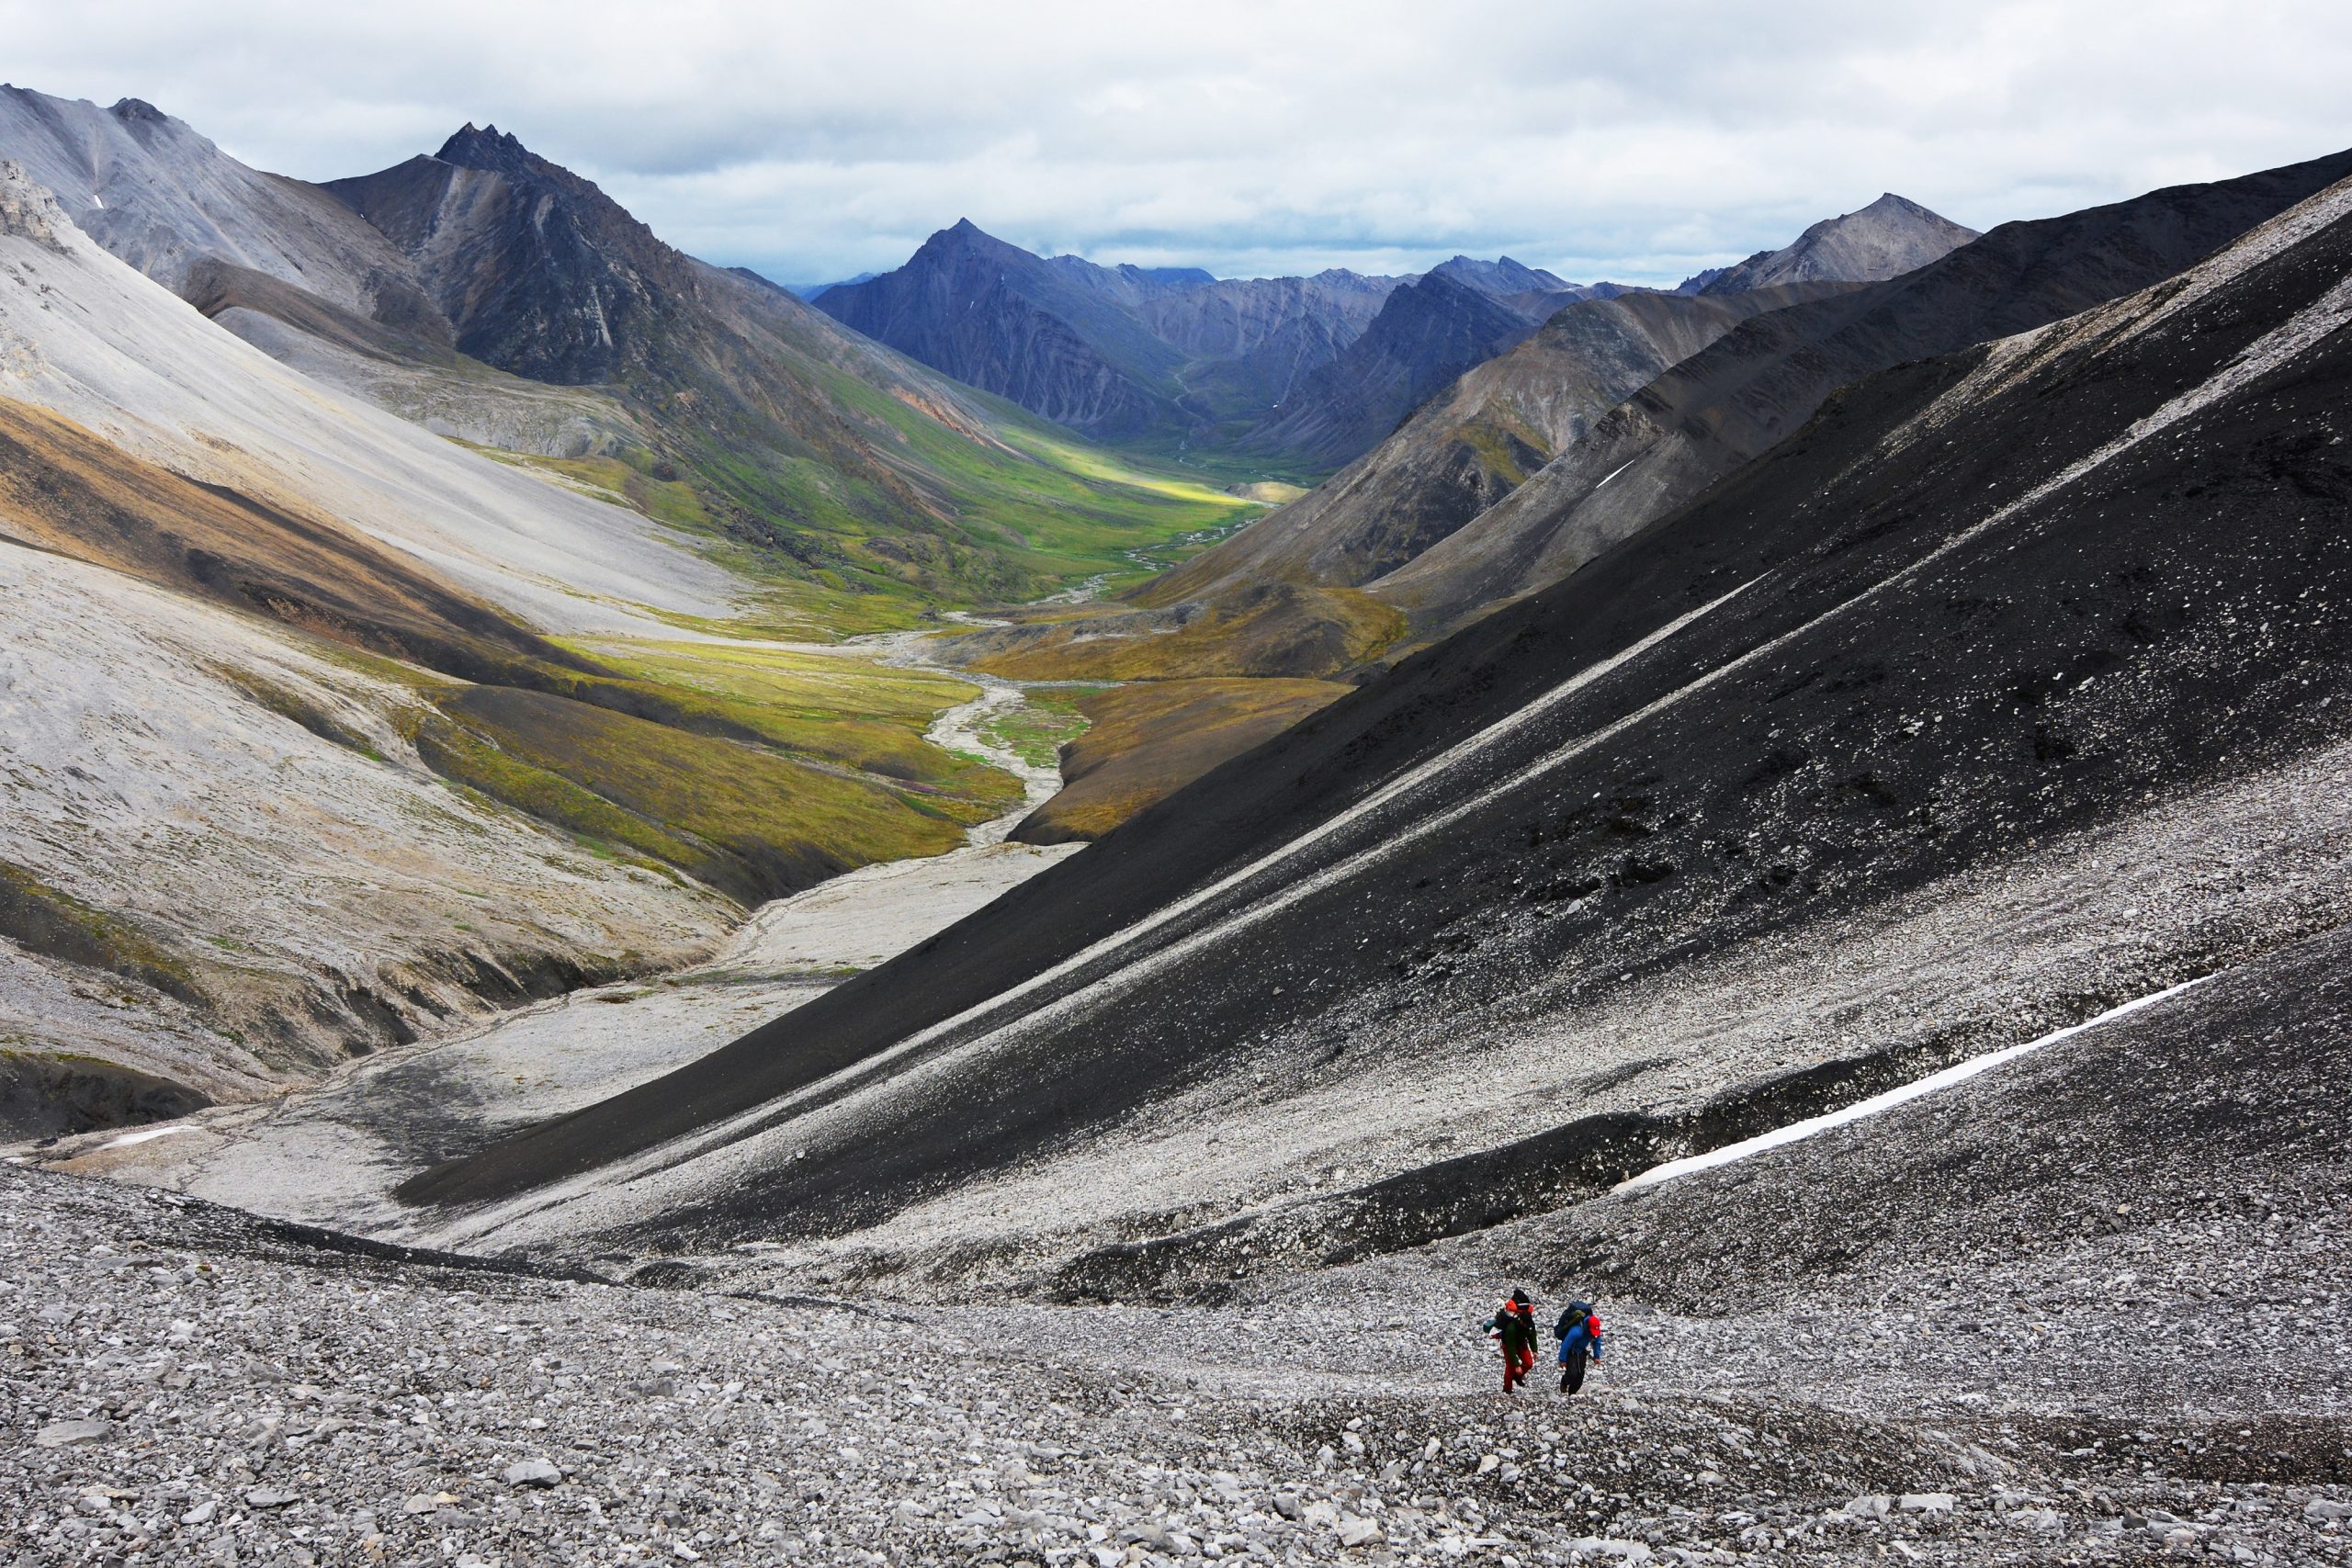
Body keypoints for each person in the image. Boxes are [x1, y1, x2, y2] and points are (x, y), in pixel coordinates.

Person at [1485, 1289, 1540, 1393]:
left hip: (1521, 1344)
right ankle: (1507, 1389)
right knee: (1510, 1367)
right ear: (1521, 1321)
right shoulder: (1511, 1329)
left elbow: (1532, 1335)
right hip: (1509, 1345)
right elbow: (1510, 1349)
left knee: (1529, 1363)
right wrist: (1517, 1365)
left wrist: (1534, 1350)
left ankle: (1517, 1377)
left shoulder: (1529, 1324)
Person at [1555, 1299, 1604, 1394]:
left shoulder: (1594, 1330)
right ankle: (1564, 1381)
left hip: (1581, 1352)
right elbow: (1565, 1345)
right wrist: (1562, 1360)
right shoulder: (1576, 1331)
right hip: (1571, 1351)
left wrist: (1597, 1356)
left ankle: (1572, 1395)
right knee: (1572, 1374)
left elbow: (1597, 1341)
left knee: (1580, 1375)